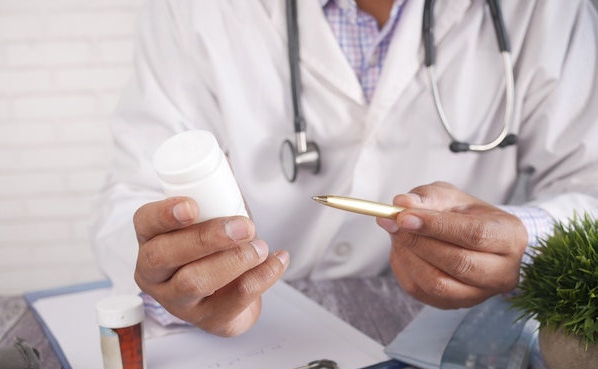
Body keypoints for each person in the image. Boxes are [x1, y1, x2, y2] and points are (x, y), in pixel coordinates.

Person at [91, 0, 598, 337]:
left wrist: (520, 243)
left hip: (453, 335)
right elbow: (131, 198)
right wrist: (176, 277)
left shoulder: (548, 10)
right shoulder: (193, 10)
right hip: (256, 339)